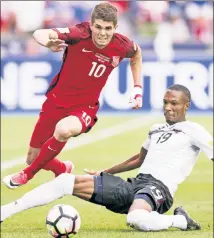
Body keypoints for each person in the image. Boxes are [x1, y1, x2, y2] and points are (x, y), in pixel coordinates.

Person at [1, 84, 213, 232]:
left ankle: (180, 220)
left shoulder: (194, 130)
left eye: (174, 103)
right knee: (65, 181)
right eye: (165, 102)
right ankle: (5, 211)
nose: (168, 107)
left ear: (187, 106)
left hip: (159, 190)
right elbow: (137, 159)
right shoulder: (155, 129)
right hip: (136, 185)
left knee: (135, 218)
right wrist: (105, 173)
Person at [2, 3, 143, 188]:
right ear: (91, 25)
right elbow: (40, 33)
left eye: (108, 28)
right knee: (32, 157)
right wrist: (47, 42)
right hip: (56, 102)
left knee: (62, 130)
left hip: (85, 108)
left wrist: (137, 88)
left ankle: (26, 175)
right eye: (98, 27)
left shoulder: (121, 45)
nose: (103, 33)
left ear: (115, 28)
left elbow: (136, 54)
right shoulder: (79, 33)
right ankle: (61, 169)